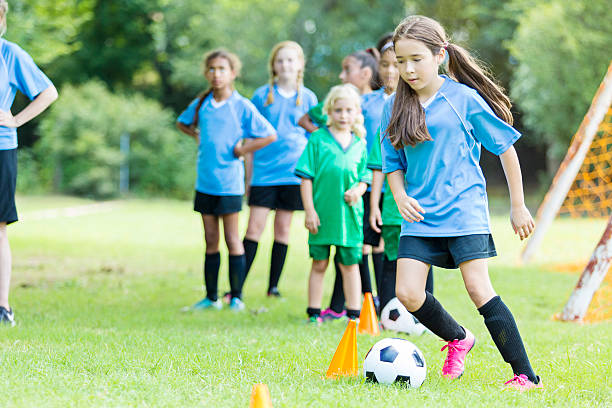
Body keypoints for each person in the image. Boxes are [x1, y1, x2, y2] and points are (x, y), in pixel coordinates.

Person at [380, 16, 541, 390]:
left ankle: (526, 376)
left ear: (440, 55)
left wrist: (518, 205)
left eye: (416, 59)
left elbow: (506, 149)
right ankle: (458, 338)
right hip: (420, 215)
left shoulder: (463, 99)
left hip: (464, 211)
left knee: (478, 290)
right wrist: (400, 196)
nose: (408, 69)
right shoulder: (393, 107)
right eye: (401, 61)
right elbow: (392, 163)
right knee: (407, 293)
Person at [177, 49, 276, 312]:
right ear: (206, 73)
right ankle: (211, 298)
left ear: (232, 73)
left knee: (233, 240)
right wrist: (195, 135)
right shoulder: (202, 104)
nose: (216, 74)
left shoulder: (241, 105)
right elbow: (182, 123)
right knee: (210, 240)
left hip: (229, 185)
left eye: (222, 69)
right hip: (204, 183)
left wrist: (243, 149)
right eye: (211, 69)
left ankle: (237, 297)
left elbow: (269, 134)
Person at [298, 49, 379, 320]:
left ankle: (353, 315)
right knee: (319, 262)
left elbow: (365, 176)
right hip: (322, 213)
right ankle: (313, 313)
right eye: (338, 110)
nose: (344, 115)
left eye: (349, 110)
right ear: (329, 111)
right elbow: (306, 177)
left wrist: (358, 190)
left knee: (350, 263)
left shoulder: (360, 143)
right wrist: (309, 211)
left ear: (357, 112)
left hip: (350, 216)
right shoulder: (318, 139)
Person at [242, 41, 317, 298]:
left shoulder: (308, 98)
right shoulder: (262, 95)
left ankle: (273, 287)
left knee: (283, 230)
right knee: (254, 228)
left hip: (292, 175)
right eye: (280, 60)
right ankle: (236, 288)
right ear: (273, 65)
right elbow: (250, 139)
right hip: (263, 174)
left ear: (300, 65)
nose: (285, 65)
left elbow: (313, 142)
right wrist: (248, 178)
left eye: (290, 60)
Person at [0, 0, 58, 327]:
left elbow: (48, 92)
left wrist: (16, 120)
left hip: (1, 149)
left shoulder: (10, 54)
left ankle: (2, 306)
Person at [367, 34, 434, 313]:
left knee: (424, 263)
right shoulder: (386, 114)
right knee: (390, 259)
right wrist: (375, 205)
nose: (395, 71)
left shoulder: (431, 109)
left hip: (422, 205)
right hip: (393, 208)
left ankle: (426, 317)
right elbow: (382, 165)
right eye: (390, 64)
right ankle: (387, 313)